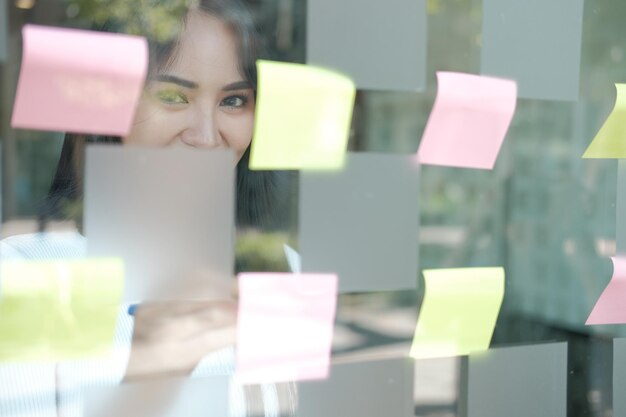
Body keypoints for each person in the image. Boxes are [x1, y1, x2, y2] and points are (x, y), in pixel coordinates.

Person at [0, 1, 296, 416]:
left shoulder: (283, 270)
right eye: (173, 96)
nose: (207, 137)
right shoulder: (29, 275)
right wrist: (151, 375)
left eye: (233, 102)